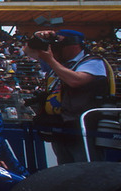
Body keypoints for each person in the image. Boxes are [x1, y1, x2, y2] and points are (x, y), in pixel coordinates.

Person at [23, 29, 115, 164]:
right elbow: (28, 51)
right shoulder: (58, 63)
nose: (54, 49)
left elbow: (75, 80)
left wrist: (51, 60)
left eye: (58, 44)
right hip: (60, 125)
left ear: (73, 45)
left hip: (84, 128)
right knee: (66, 169)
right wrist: (36, 36)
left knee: (85, 168)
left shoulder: (93, 61)